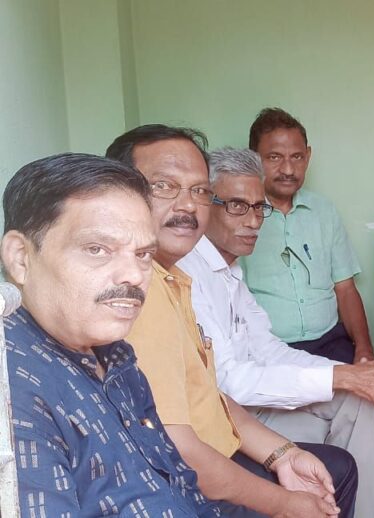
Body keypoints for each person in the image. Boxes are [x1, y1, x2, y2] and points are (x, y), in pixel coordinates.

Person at [106, 125, 357, 517]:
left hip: (223, 441)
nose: (188, 205)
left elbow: (212, 394)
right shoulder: (139, 292)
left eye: (198, 191)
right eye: (164, 186)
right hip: (180, 485)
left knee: (337, 458)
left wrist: (283, 455)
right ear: (118, 195)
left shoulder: (175, 279)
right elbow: (182, 452)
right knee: (333, 474)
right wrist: (287, 504)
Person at [178, 147, 374, 518]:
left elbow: (270, 349)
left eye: (258, 207)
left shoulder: (231, 273)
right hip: (232, 426)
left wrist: (351, 375)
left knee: (367, 402)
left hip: (253, 412)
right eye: (237, 206)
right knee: (355, 400)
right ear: (205, 204)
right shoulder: (188, 273)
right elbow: (228, 382)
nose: (253, 221)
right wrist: (340, 377)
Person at [1, 153, 220, 516]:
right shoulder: (13, 389)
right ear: (21, 258)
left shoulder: (115, 356)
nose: (133, 275)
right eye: (97, 249)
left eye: (143, 254)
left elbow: (182, 484)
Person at [239, 108, 374, 364]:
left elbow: (345, 289)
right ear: (253, 159)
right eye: (275, 157)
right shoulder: (240, 217)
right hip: (268, 350)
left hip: (330, 342)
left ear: (308, 156)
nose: (288, 169)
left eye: (297, 157)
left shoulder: (324, 211)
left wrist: (364, 349)